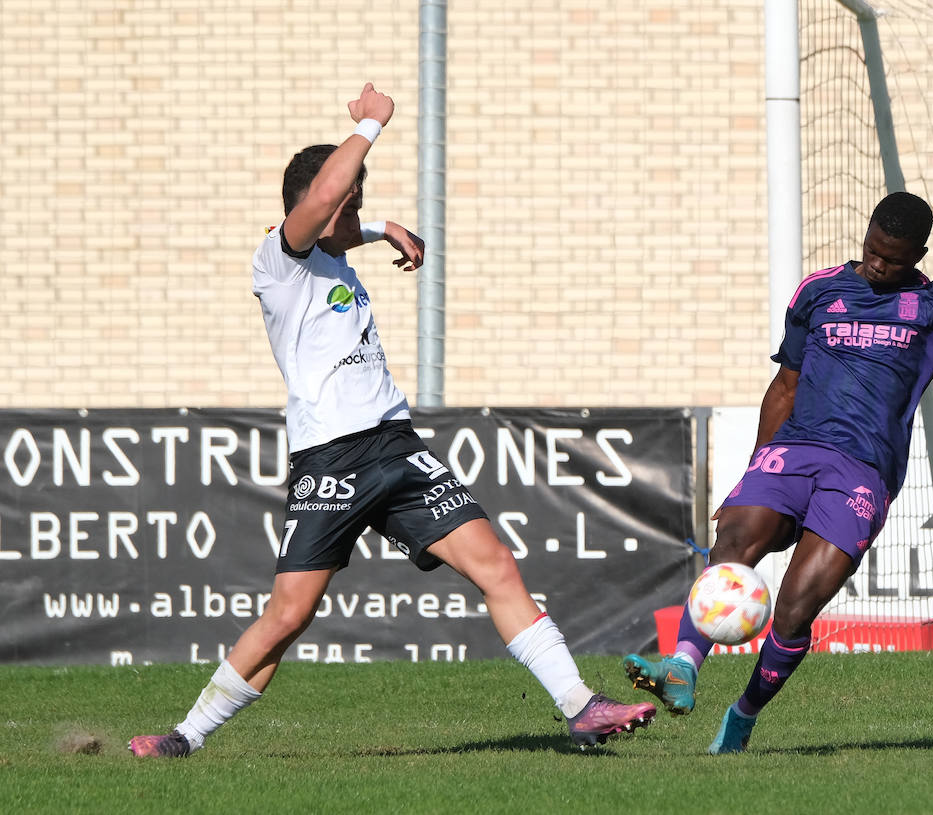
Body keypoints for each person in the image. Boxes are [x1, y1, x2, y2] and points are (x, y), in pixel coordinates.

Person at [129, 83, 655, 757]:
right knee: (289, 615)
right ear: (320, 198)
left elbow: (335, 219)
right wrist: (373, 125)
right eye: (354, 200)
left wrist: (380, 229)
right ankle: (185, 736)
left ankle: (581, 706)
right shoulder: (277, 259)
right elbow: (320, 206)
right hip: (331, 459)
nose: (357, 211)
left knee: (495, 563)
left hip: (395, 446)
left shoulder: (335, 251)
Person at [623, 191, 933, 753]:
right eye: (872, 249)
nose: (878, 264)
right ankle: (683, 666)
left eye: (892, 257)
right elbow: (785, 386)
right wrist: (753, 470)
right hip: (794, 450)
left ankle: (743, 716)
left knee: (794, 608)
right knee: (735, 538)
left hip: (863, 472)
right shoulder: (818, 292)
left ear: (918, 254)